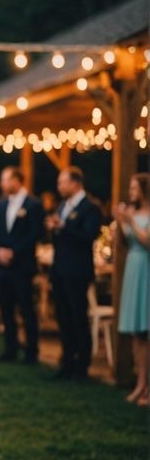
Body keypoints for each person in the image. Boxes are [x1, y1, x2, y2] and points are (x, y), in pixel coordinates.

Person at [47, 167, 102, 381]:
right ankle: (67, 361)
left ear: (76, 183)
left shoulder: (90, 208)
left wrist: (64, 226)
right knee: (63, 318)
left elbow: (89, 236)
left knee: (79, 318)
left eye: (63, 182)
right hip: (60, 270)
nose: (60, 186)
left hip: (78, 271)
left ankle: (82, 366)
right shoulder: (62, 206)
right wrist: (53, 229)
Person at [0, 166, 44, 364]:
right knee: (6, 310)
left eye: (5, 179)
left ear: (17, 180)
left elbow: (34, 233)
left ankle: (32, 351)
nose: (2, 184)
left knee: (26, 309)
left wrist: (14, 252)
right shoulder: (1, 204)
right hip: (3, 266)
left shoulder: (33, 205)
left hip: (22, 266)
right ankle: (10, 348)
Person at [115, 173, 150, 405]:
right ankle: (141, 383)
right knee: (137, 333)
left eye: (135, 188)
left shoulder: (143, 215)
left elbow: (147, 241)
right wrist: (120, 221)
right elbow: (124, 243)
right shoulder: (132, 213)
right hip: (133, 268)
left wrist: (131, 221)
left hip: (146, 267)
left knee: (147, 330)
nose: (131, 193)